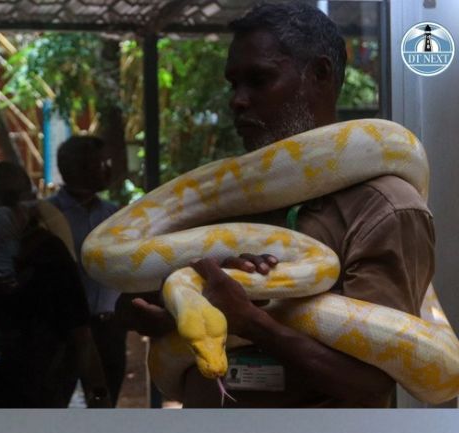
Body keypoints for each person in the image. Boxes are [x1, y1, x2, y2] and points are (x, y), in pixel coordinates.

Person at [118, 2, 435, 409]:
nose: (238, 101)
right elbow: (140, 284)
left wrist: (252, 322)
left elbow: (370, 385)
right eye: (234, 85)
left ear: (320, 75)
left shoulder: (383, 209)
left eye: (259, 80)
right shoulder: (224, 195)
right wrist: (150, 308)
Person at [0, 161, 110, 409]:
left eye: (8, 199)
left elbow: (81, 335)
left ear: (28, 202)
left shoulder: (51, 254)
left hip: (42, 393)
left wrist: (99, 398)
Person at [49, 135, 127, 406]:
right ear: (78, 169)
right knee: (53, 403)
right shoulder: (48, 215)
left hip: (108, 328)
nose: (108, 168)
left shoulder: (114, 215)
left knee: (104, 405)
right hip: (61, 331)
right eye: (100, 163)